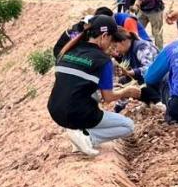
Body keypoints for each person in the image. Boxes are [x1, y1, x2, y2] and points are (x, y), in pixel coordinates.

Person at [48, 16, 142, 157]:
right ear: (104, 36)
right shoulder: (103, 60)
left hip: (55, 110)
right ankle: (87, 137)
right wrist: (126, 92)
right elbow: (108, 97)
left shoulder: (70, 50)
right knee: (128, 126)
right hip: (77, 113)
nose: (111, 45)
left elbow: (76, 83)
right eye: (112, 40)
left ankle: (79, 134)